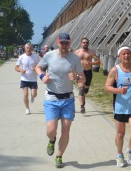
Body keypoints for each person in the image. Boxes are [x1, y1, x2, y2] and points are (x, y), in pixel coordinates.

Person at [35, 32, 85, 168]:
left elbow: (82, 78)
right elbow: (38, 67)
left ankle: (59, 155)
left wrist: (76, 77)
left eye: (66, 43)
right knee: (51, 130)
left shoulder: (75, 59)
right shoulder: (49, 56)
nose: (64, 45)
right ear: (57, 43)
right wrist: (42, 77)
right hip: (52, 98)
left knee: (66, 131)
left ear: (70, 43)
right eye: (62, 42)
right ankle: (51, 140)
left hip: (68, 99)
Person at [105, 46, 131, 167]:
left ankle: (129, 149)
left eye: (128, 53)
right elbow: (107, 87)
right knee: (120, 134)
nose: (126, 56)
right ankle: (119, 155)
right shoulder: (115, 70)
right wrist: (118, 90)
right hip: (120, 106)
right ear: (119, 56)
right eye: (124, 54)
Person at [74, 37, 100, 113]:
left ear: (88, 44)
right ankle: (82, 106)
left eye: (86, 42)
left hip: (88, 72)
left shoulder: (91, 52)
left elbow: (98, 61)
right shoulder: (77, 52)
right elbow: (71, 61)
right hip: (80, 72)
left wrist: (91, 63)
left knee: (86, 90)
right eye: (84, 42)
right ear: (81, 43)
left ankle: (83, 97)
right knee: (81, 89)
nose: (85, 44)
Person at [15, 43, 40, 115]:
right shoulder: (21, 57)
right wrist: (21, 70)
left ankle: (32, 96)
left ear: (32, 48)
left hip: (33, 79)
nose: (28, 49)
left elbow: (40, 65)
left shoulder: (36, 56)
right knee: (25, 94)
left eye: (30, 48)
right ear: (24, 49)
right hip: (24, 78)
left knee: (34, 94)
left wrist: (35, 68)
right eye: (27, 48)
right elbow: (16, 67)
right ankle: (27, 108)